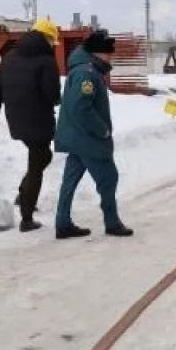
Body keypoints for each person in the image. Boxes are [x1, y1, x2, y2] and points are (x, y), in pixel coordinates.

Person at [53, 29, 133, 238]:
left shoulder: (83, 69)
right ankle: (112, 222)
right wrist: (102, 130)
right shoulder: (87, 74)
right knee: (108, 178)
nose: (110, 57)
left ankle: (62, 223)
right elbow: (81, 108)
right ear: (98, 53)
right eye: (108, 53)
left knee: (70, 181)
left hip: (76, 137)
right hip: (88, 139)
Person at [0, 18, 61, 232]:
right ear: (47, 38)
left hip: (16, 118)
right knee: (37, 164)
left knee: (42, 157)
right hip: (38, 119)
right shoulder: (46, 59)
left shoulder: (10, 56)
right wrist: (57, 99)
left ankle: (23, 193)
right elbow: (52, 94)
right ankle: (26, 217)